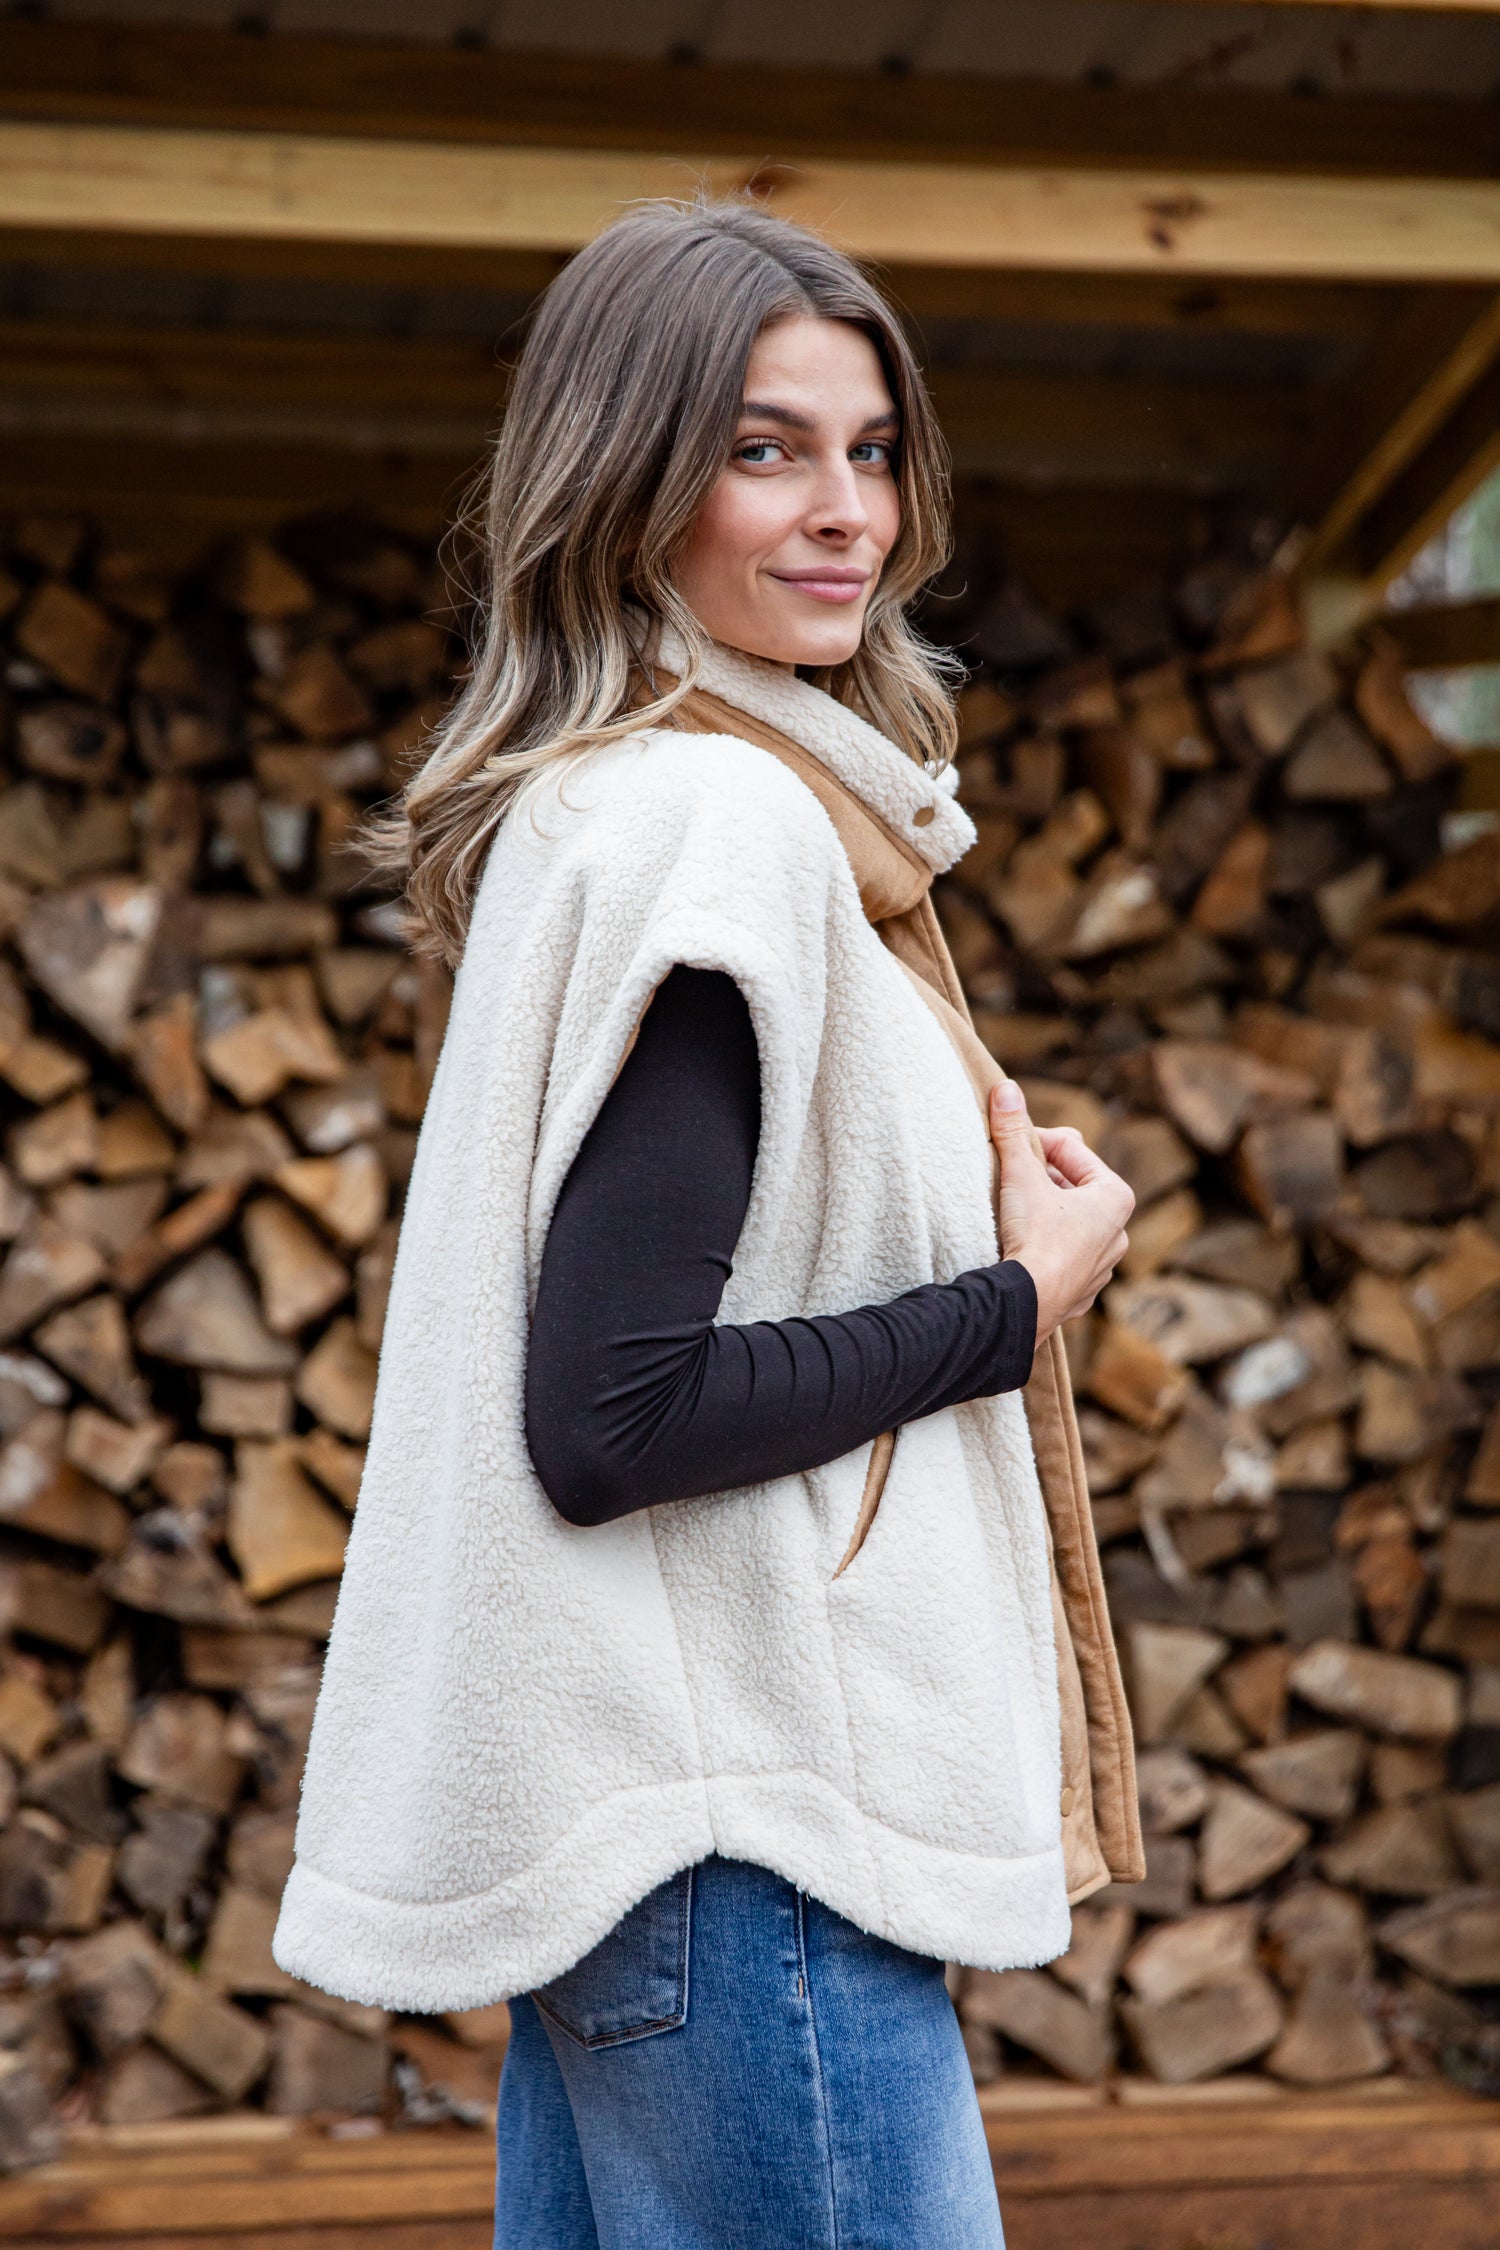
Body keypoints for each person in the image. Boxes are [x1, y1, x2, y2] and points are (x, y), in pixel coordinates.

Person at [273, 197, 1142, 2250]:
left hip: (670, 1866)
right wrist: (1019, 1296)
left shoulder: (621, 796)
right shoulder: (720, 822)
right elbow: (616, 1416)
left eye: (868, 448)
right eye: (762, 450)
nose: (842, 510)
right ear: (625, 477)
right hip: (749, 1854)